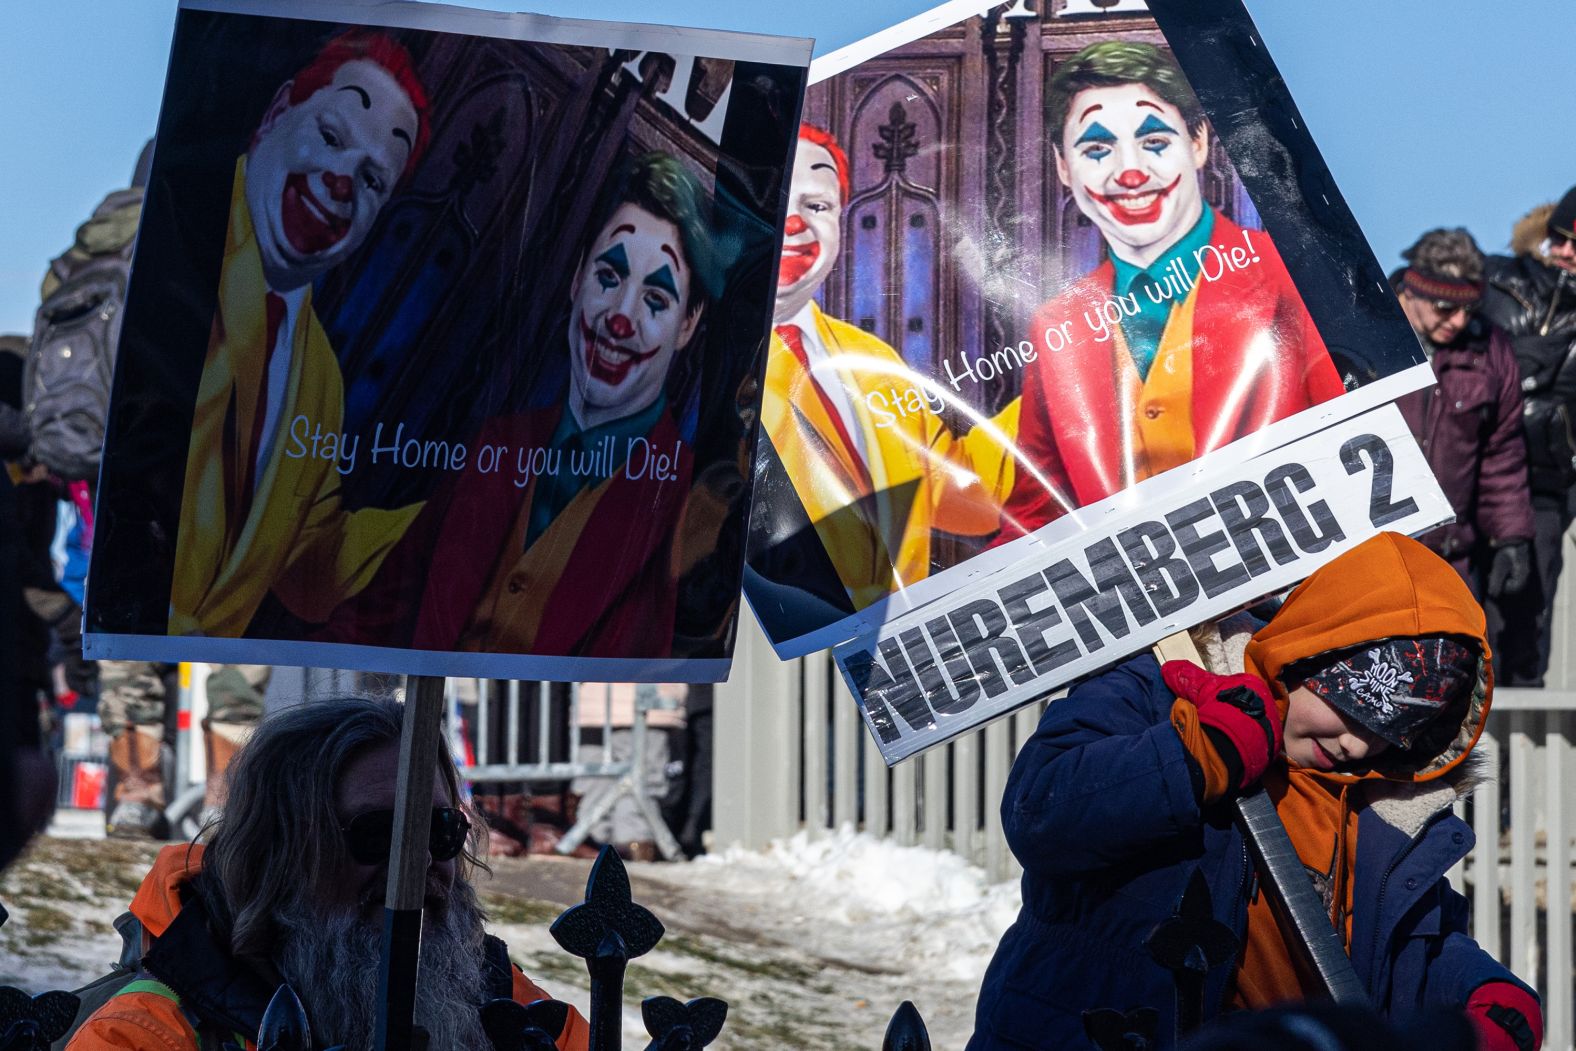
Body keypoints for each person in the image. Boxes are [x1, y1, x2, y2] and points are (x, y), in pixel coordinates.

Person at [968, 532, 1542, 1050]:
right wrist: (1192, 756)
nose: (1358, 748)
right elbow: (1039, 812)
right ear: (1304, 655)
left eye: (1389, 734)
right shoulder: (1158, 689)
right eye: (1348, 711)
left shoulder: (1379, 800)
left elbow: (1409, 944)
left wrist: (1480, 993)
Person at [335, 151, 717, 657]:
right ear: (576, 277)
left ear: (687, 324)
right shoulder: (496, 443)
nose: (620, 319)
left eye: (656, 299)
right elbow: (370, 623)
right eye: (608, 276)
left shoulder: (692, 500)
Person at [65, 695, 589, 1051]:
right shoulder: (146, 1036)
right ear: (278, 856)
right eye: (376, 834)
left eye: (440, 831)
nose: (420, 862)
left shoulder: (515, 1013)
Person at [995, 41, 1344, 542]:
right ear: (1063, 166)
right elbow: (1037, 516)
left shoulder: (1288, 270)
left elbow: (1356, 444)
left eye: (1154, 140)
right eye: (1097, 149)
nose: (1130, 172)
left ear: (1198, 142)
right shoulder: (1057, 323)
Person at [169, 30, 431, 639]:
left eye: (372, 182)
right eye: (333, 136)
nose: (342, 181)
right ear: (277, 111)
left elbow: (308, 566)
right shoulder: (173, 253)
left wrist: (462, 517)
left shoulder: (321, 380)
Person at [764, 123, 1019, 610]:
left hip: (903, 641)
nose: (793, 224)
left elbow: (959, 495)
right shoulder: (694, 375)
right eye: (771, 206)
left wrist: (1058, 389)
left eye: (816, 206)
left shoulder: (871, 357)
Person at [1392, 229, 1535, 597]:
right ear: (1413, 290)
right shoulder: (1362, 334)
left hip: (1448, 561)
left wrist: (1511, 537)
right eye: (1445, 308)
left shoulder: (1490, 350)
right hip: (1367, 557)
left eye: (1468, 309)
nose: (1457, 321)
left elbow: (1501, 452)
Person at [1481, 186, 1576, 685]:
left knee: (1527, 626)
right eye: (1558, 238)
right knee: (1470, 622)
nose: (1564, 253)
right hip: (1468, 482)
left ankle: (1519, 761)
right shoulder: (1496, 277)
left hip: (1544, 488)